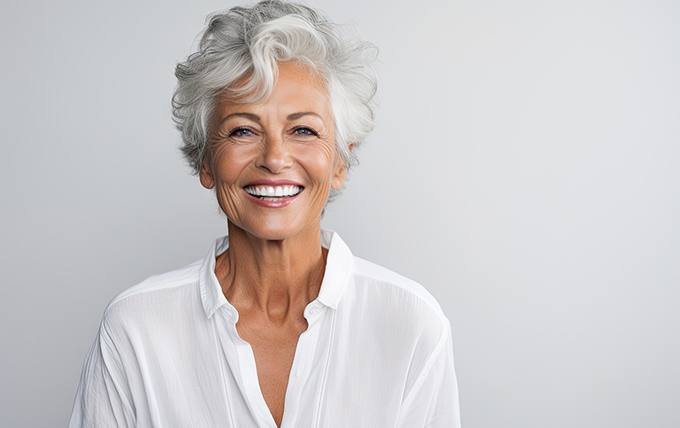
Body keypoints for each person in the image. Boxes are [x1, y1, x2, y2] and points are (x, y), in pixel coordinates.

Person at [68, 1, 461, 427]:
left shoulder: (409, 321)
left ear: (340, 164)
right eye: (243, 130)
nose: (275, 158)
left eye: (303, 130)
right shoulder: (135, 328)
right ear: (205, 162)